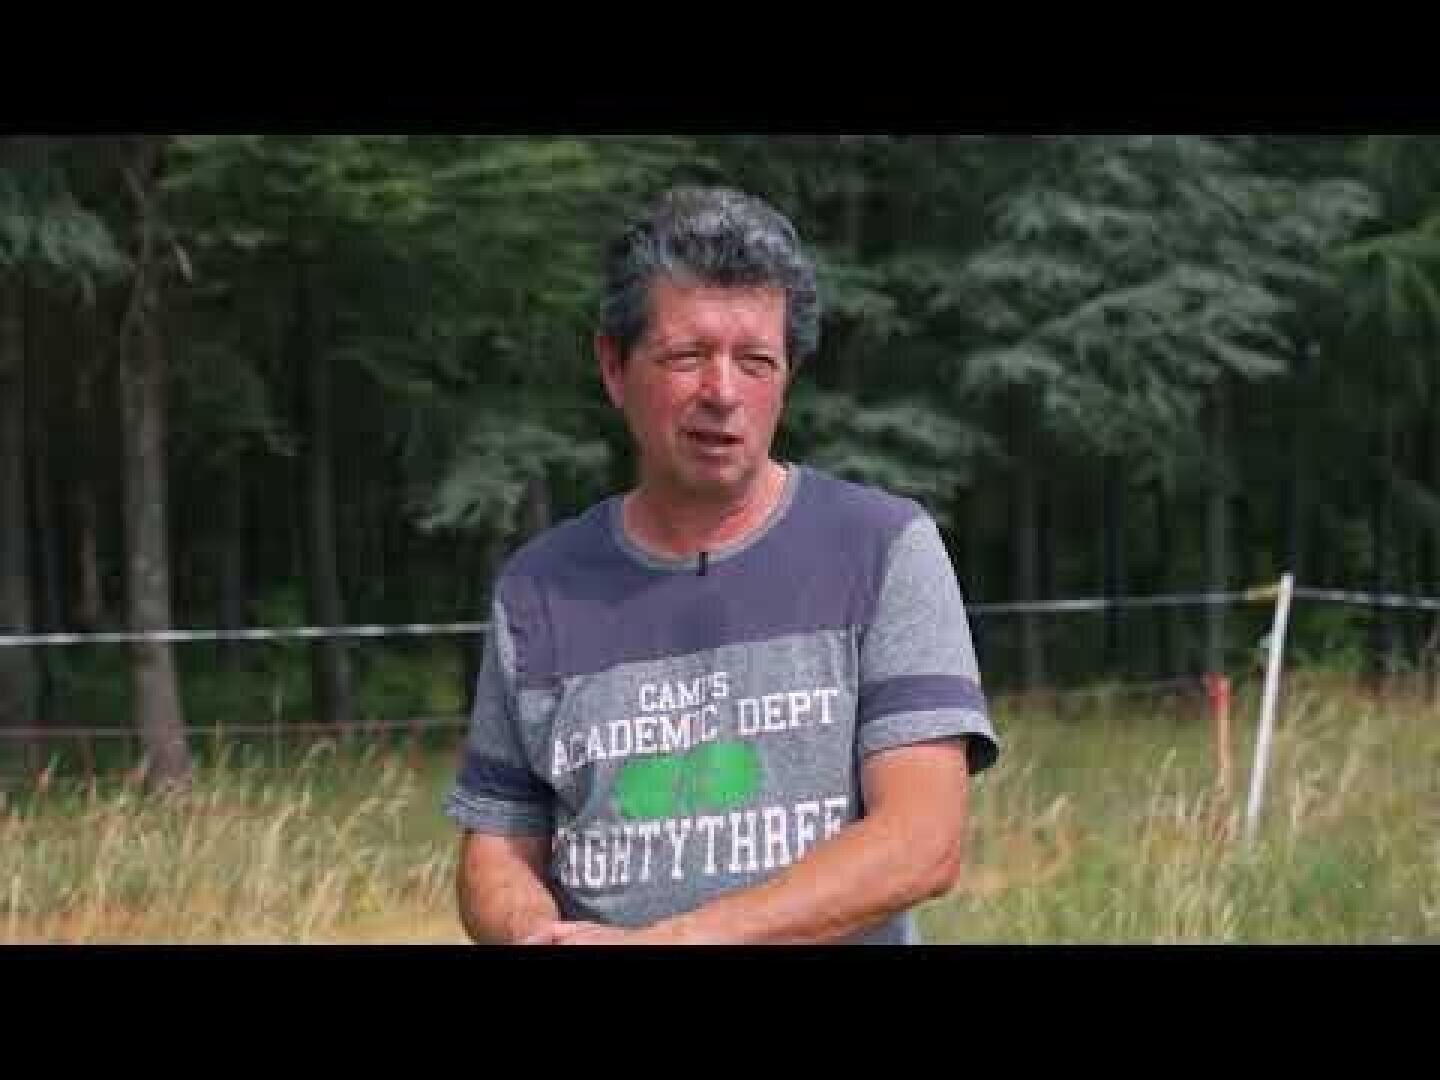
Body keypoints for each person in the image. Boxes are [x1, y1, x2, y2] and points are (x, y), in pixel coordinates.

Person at [444, 185, 998, 945]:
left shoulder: (883, 549)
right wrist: (535, 930)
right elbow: (496, 850)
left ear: (788, 375)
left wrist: (676, 941)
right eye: (687, 357)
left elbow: (922, 842)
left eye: (756, 361)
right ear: (613, 366)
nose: (723, 393)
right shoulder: (537, 588)